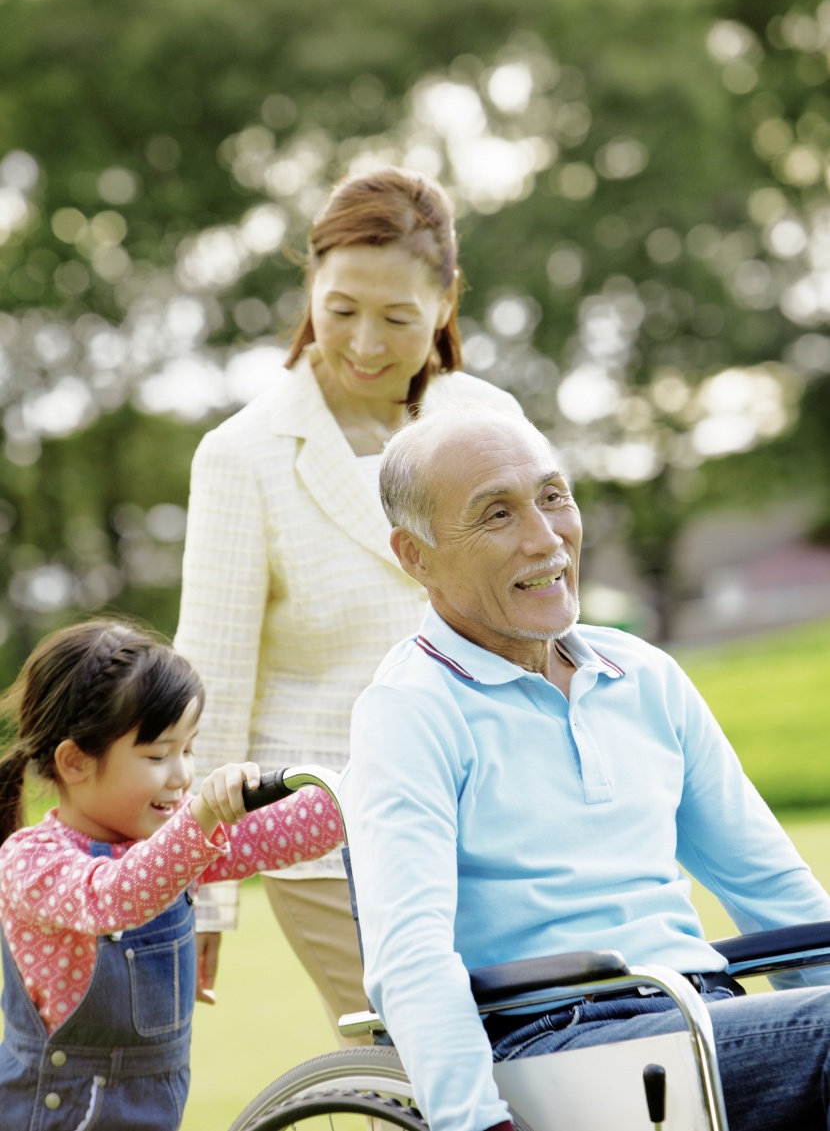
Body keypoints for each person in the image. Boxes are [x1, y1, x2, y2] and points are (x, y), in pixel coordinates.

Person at [341, 404, 830, 1131]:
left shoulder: (645, 676)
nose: (547, 538)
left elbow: (775, 892)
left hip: (700, 1018)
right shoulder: (410, 709)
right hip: (555, 1043)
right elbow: (409, 955)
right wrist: (475, 1123)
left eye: (552, 496)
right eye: (497, 515)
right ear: (416, 555)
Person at [174, 165, 521, 1036]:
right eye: (342, 310)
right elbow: (208, 681)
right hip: (328, 831)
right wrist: (204, 894)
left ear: (444, 303)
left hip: (499, 810)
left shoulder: (491, 418)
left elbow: (541, 605)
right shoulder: (242, 455)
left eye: (398, 318)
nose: (365, 342)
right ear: (310, 286)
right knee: (423, 1063)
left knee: (542, 1058)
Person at [0, 620, 342, 1131]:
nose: (182, 775)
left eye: (189, 749)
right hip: (58, 1115)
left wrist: (371, 789)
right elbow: (115, 895)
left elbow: (282, 832)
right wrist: (201, 815)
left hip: (153, 1111)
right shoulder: (30, 859)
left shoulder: (171, 844)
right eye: (158, 755)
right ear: (75, 762)